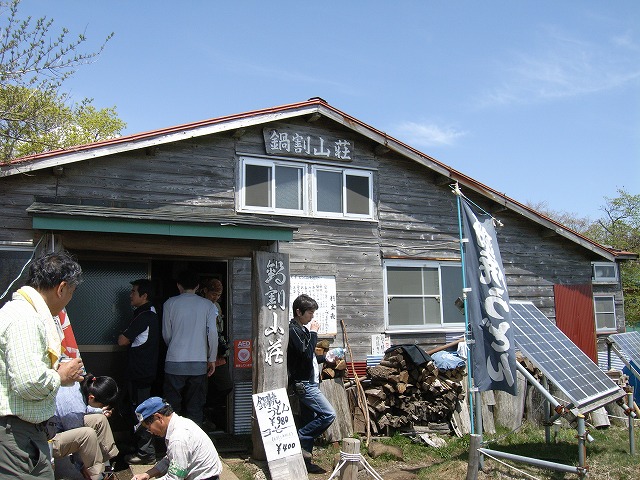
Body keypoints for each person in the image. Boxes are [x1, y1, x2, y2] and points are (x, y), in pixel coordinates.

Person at [0, 250, 85, 479]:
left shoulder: (23, 312)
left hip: (23, 431)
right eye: (72, 292)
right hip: (15, 432)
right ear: (61, 288)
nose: (69, 299)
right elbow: (29, 383)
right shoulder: (26, 319)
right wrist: (60, 377)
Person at [287, 294, 336, 474]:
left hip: (311, 382)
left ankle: (305, 463)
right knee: (329, 414)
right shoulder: (293, 329)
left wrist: (325, 358)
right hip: (304, 383)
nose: (312, 317)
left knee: (309, 419)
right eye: (309, 312)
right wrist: (314, 333)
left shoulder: (302, 329)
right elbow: (304, 353)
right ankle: (299, 437)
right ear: (298, 312)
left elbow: (310, 357)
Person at [162, 269, 217, 425]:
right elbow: (212, 334)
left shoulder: (169, 303)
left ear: (179, 285)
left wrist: (174, 346)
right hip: (199, 362)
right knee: (195, 406)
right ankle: (195, 443)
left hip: (174, 361)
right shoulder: (208, 305)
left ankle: (172, 442)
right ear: (198, 286)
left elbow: (166, 334)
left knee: (172, 407)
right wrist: (211, 358)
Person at [118, 279, 160, 464]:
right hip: (141, 371)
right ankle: (137, 446)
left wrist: (123, 334)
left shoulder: (145, 316)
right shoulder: (147, 313)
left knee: (142, 411)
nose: (130, 295)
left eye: (134, 292)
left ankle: (146, 453)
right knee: (135, 409)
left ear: (144, 296)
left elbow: (122, 340)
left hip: (140, 372)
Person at [131, 397, 222, 480]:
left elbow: (175, 477)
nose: (150, 431)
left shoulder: (178, 438)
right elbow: (171, 459)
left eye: (148, 427)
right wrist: (147, 474)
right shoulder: (180, 423)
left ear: (158, 417)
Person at [52, 375, 119, 480]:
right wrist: (82, 466)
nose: (101, 408)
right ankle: (97, 476)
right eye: (101, 405)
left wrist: (99, 411)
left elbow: (83, 407)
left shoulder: (81, 385)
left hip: (62, 426)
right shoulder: (73, 409)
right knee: (87, 434)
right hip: (49, 441)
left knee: (99, 420)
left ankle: (106, 467)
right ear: (92, 397)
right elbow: (78, 442)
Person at [199, 278, 232, 431]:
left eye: (219, 295)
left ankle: (209, 410)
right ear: (205, 290)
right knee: (201, 388)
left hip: (217, 351)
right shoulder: (198, 305)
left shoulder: (216, 305)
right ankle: (203, 417)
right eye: (213, 294)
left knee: (225, 386)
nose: (216, 297)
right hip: (200, 352)